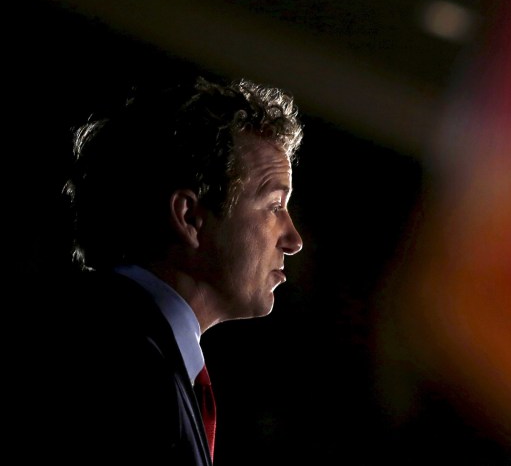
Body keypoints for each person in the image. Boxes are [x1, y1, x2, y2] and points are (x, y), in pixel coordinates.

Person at [23, 75, 305, 465]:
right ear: (189, 217)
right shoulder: (120, 367)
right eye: (275, 206)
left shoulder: (128, 348)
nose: (293, 239)